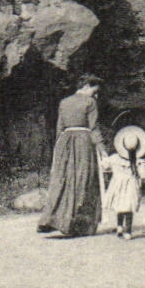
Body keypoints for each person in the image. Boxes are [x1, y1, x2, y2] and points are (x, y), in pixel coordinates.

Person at [37, 75, 106, 237]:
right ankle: (79, 226)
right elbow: (94, 127)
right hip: (83, 142)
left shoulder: (64, 102)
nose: (96, 95)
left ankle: (52, 219)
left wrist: (58, 148)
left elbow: (59, 127)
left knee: (63, 179)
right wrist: (102, 148)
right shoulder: (90, 103)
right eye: (95, 91)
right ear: (87, 86)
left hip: (65, 142)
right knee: (84, 180)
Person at [100, 125, 145, 240]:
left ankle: (119, 226)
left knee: (119, 205)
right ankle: (128, 231)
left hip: (117, 184)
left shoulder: (114, 158)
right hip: (131, 186)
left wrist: (103, 157)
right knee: (128, 207)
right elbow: (144, 173)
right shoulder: (138, 162)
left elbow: (104, 165)